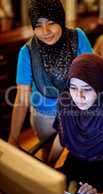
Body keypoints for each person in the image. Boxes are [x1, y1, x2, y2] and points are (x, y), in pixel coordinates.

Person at [48, 54, 103, 194]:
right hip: (75, 165)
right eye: (73, 87)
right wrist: (47, 167)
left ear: (100, 86)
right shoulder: (65, 103)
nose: (78, 96)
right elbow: (62, 137)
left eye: (87, 89)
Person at [8, 0, 93, 146]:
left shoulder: (77, 37)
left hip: (76, 111)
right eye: (38, 25)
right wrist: (14, 138)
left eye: (51, 23)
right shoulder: (26, 52)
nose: (45, 31)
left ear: (60, 19)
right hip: (44, 117)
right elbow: (22, 98)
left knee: (76, 154)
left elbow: (93, 72)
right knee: (47, 157)